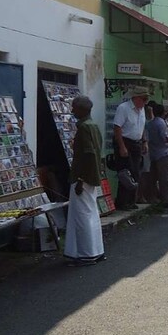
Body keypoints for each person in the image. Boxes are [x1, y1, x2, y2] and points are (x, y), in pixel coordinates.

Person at [66, 95, 105, 266]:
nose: (72, 110)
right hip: (91, 175)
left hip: (83, 177)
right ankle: (96, 251)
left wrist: (81, 179)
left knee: (83, 216)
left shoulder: (84, 128)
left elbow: (88, 154)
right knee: (91, 214)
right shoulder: (93, 126)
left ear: (82, 109)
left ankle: (87, 254)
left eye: (74, 107)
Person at [113, 86, 149, 211]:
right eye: (143, 99)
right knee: (125, 173)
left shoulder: (142, 109)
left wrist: (144, 141)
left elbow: (142, 126)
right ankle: (122, 202)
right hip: (125, 141)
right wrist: (122, 147)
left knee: (136, 172)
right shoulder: (124, 108)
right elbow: (117, 128)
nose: (145, 102)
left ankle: (131, 201)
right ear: (135, 98)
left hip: (137, 142)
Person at [145, 103, 168, 206]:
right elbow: (165, 138)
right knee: (163, 178)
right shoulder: (161, 123)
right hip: (162, 153)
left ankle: (152, 197)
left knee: (153, 177)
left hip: (153, 152)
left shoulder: (150, 123)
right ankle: (165, 199)